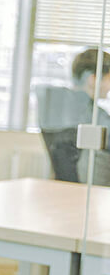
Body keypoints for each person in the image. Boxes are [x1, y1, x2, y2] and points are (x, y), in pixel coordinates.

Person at [37, 48, 110, 185]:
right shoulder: (95, 118)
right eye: (109, 79)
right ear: (93, 79)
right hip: (91, 192)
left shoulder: (55, 106)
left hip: (66, 189)